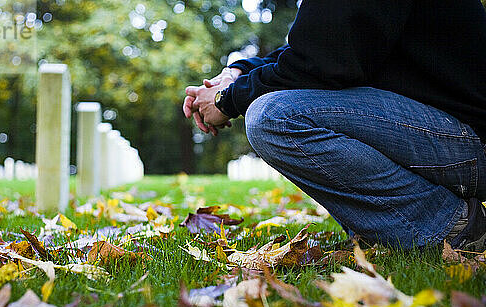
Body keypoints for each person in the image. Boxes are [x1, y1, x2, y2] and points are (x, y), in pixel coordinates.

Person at [183, 0, 486, 251]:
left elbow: (321, 63)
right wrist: (238, 73)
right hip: (448, 130)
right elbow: (321, 44)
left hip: (469, 139)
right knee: (278, 109)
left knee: (275, 116)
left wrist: (226, 100)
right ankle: (385, 230)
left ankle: (452, 227)